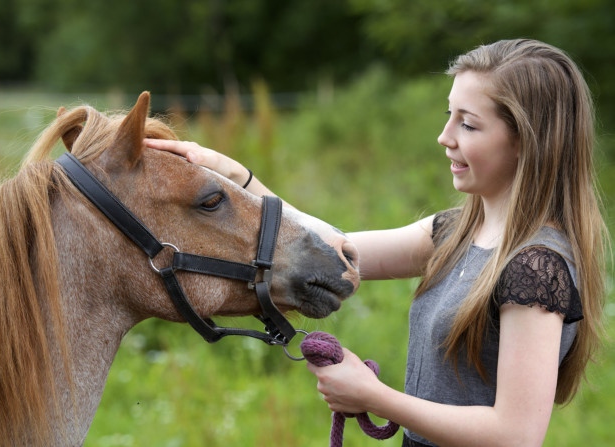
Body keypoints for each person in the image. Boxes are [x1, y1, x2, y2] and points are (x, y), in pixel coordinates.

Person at [144, 38, 608, 446]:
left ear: (527, 141)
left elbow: (516, 434)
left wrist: (375, 397)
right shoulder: (454, 232)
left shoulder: (536, 269)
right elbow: (335, 251)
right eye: (450, 116)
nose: (444, 137)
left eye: (468, 124)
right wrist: (239, 178)